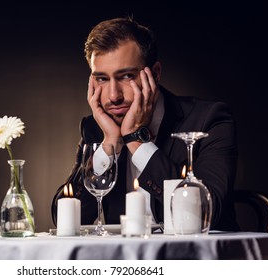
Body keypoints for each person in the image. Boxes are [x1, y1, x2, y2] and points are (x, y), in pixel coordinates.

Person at [51, 17, 239, 231]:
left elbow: (207, 213)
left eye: (127, 76)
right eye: (102, 79)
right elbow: (63, 221)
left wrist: (135, 139)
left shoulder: (209, 119)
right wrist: (109, 144)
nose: (113, 96)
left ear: (155, 73)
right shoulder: (96, 128)